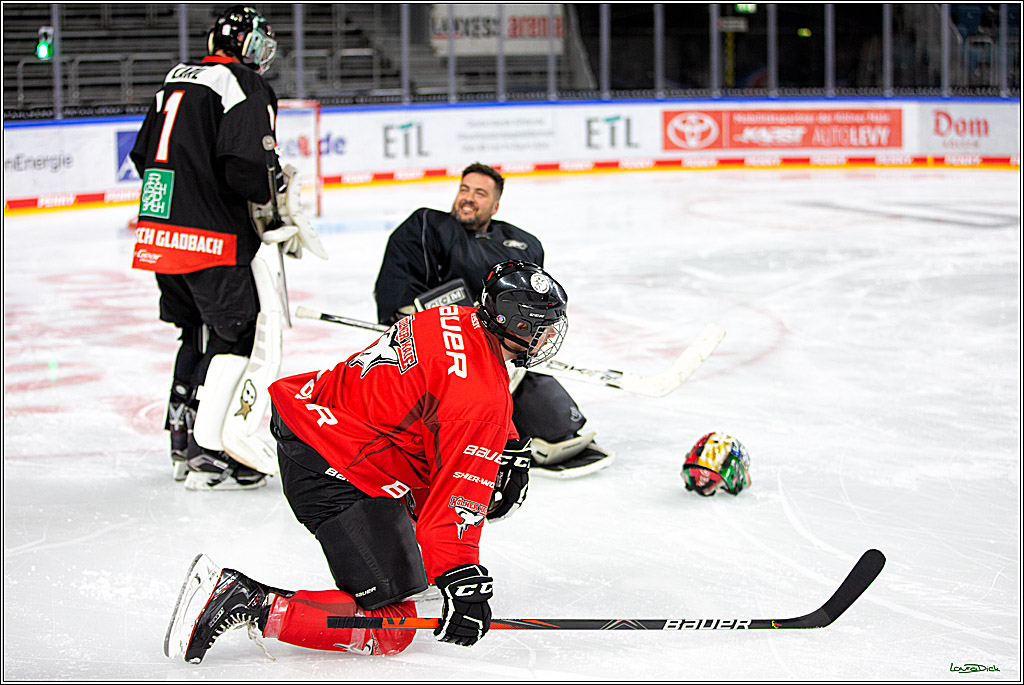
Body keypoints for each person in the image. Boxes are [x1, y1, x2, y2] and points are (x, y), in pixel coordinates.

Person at [164, 260, 568, 662]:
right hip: (330, 463)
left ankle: (413, 563)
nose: (549, 336)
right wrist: (460, 578)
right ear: (514, 324)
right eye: (542, 326)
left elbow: (456, 393)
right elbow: (457, 503)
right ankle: (245, 600)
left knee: (443, 480)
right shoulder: (479, 404)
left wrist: (506, 443)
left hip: (320, 418)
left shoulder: (455, 317)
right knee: (392, 629)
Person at [129, 5, 325, 491]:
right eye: (256, 43)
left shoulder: (174, 80)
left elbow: (140, 155)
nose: (259, 54)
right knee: (237, 336)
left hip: (159, 236)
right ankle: (209, 449)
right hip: (211, 240)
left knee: (196, 333)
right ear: (241, 44)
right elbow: (246, 168)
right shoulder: (241, 83)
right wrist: (269, 191)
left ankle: (180, 439)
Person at [373, 162, 613, 478]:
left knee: (559, 427)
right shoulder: (426, 226)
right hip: (447, 355)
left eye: (480, 194)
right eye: (464, 189)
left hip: (504, 356)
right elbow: (397, 297)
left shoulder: (522, 243)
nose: (468, 198)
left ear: (495, 205)